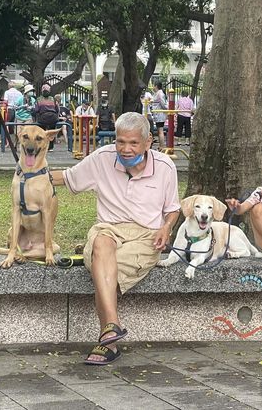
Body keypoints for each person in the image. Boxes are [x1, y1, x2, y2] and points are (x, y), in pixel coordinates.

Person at [50, 112, 180, 365]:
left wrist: (167, 228)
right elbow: (67, 178)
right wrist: (29, 173)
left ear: (148, 141)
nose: (126, 149)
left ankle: (108, 340)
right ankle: (111, 327)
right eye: (121, 142)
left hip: (146, 235)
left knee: (106, 270)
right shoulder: (102, 158)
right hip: (108, 228)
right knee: (100, 244)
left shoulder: (165, 166)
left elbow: (173, 208)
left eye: (133, 143)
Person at [32, 84, 58, 150]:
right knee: (51, 133)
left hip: (43, 118)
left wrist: (33, 113)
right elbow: (57, 109)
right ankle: (51, 147)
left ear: (42, 91)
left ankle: (41, 146)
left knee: (41, 132)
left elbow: (36, 110)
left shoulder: (39, 99)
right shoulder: (53, 99)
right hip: (53, 118)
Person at [151, 82, 167, 150]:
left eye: (154, 86)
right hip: (158, 114)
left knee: (160, 130)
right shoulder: (157, 93)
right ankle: (161, 146)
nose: (153, 87)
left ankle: (162, 146)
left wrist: (167, 109)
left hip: (160, 114)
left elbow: (163, 104)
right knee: (159, 130)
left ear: (156, 86)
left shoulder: (160, 94)